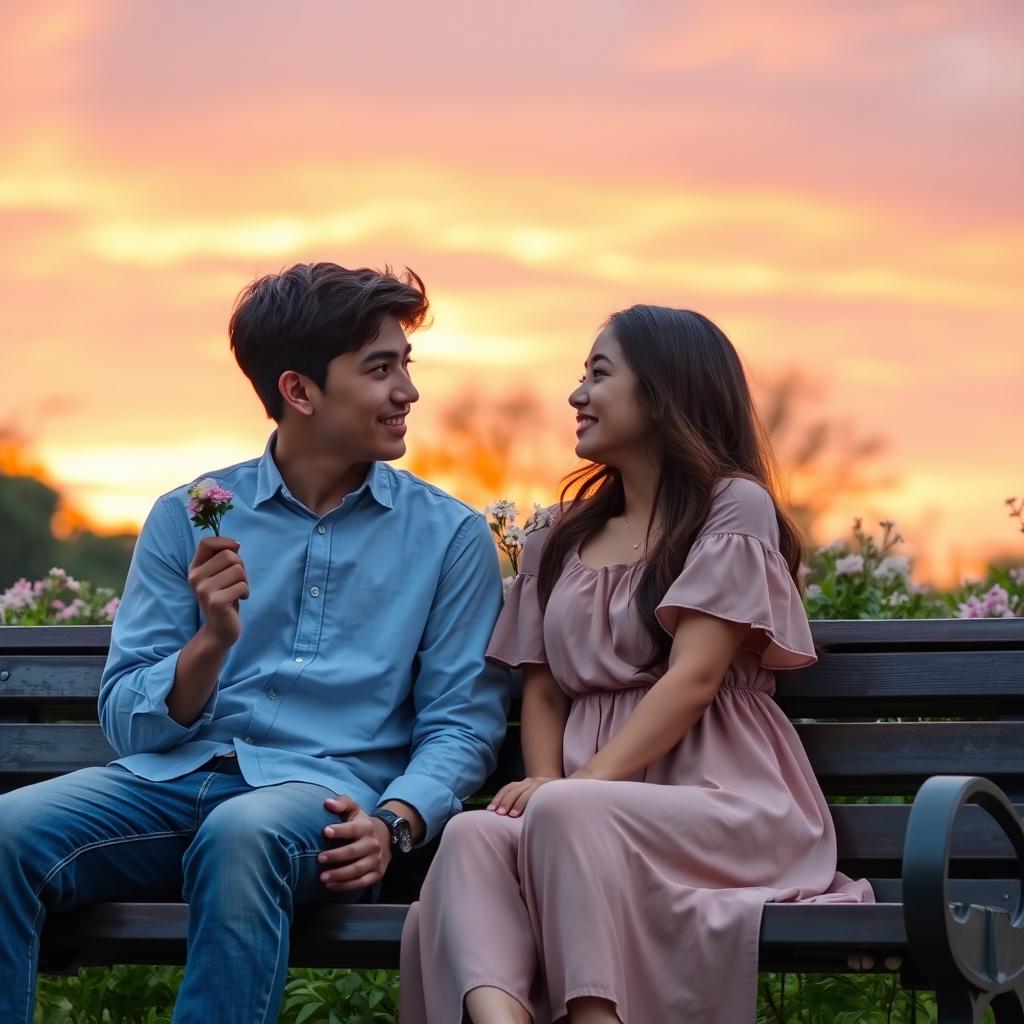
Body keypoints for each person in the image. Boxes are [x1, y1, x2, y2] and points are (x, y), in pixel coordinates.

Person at [0, 262, 510, 1024]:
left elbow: (462, 721)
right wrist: (210, 642)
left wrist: (397, 820)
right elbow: (126, 717)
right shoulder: (192, 516)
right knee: (6, 833)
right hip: (175, 782)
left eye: (407, 365)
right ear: (299, 392)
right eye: (380, 369)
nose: (407, 391)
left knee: (242, 835)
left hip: (322, 804)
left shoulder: (450, 538)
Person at [399, 305, 873, 1024]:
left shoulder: (731, 506)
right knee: (473, 836)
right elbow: (544, 688)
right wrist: (550, 796)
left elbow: (695, 679)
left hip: (724, 800)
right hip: (587, 809)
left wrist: (573, 793)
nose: (576, 395)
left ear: (662, 391)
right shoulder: (560, 533)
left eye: (598, 374)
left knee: (557, 812)